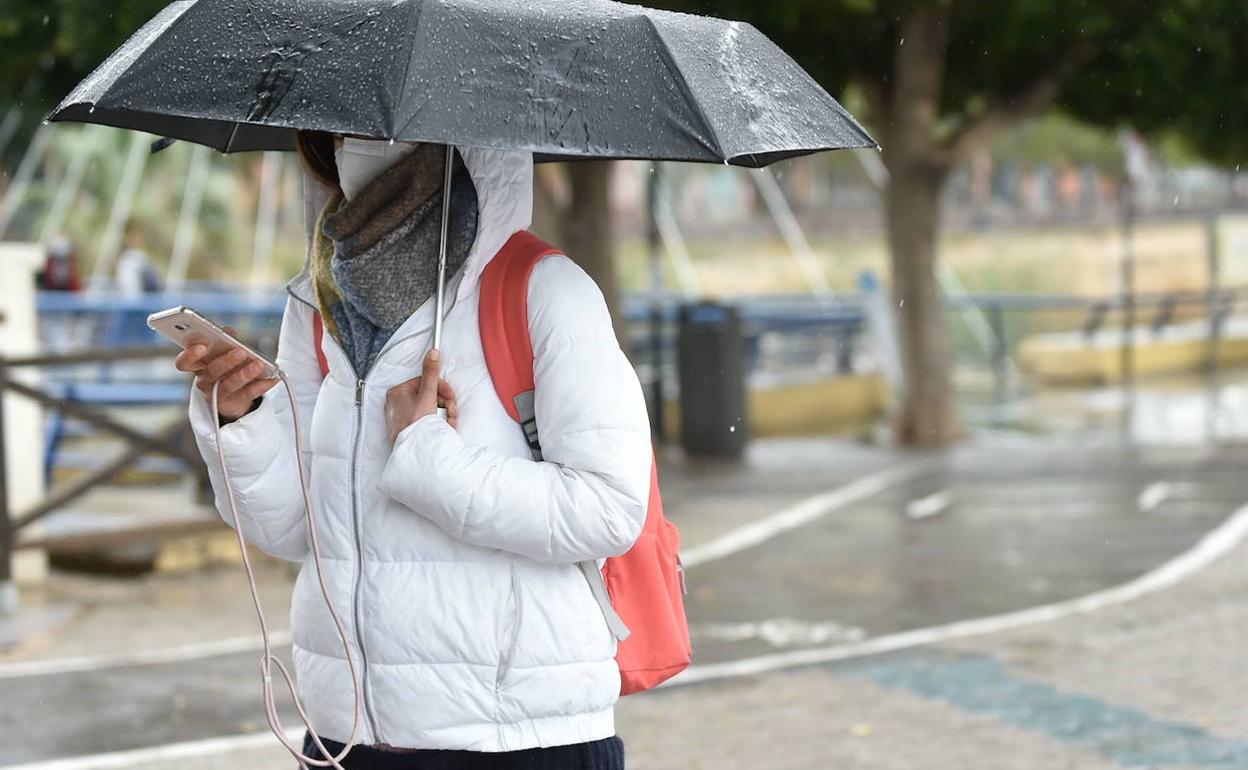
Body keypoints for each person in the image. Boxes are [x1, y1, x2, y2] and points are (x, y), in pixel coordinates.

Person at [175, 133, 652, 769]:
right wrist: (243, 419)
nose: (352, 131)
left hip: (515, 738)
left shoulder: (542, 287)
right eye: (337, 115)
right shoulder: (317, 304)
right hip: (347, 734)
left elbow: (608, 509)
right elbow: (292, 530)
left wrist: (425, 452)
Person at [115, 223, 162, 295]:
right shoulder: (131, 257)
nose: (139, 239)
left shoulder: (137, 255)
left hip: (136, 295)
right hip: (133, 295)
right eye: (136, 237)